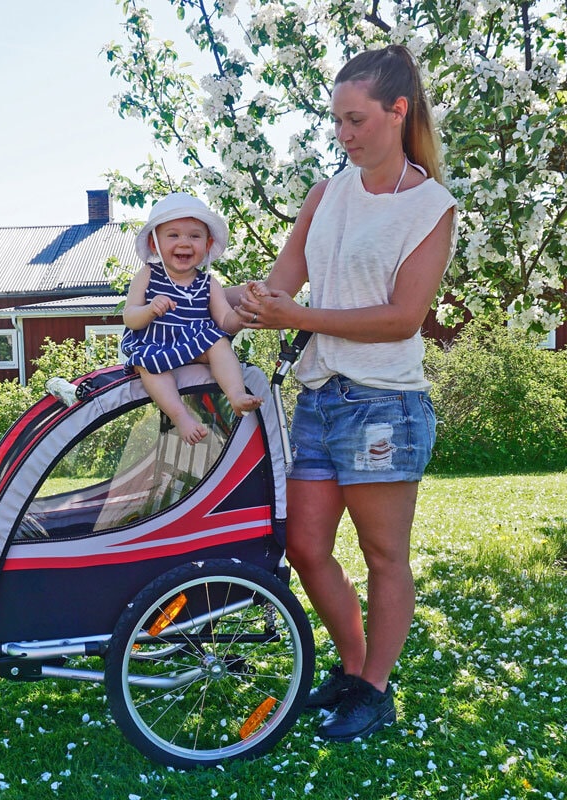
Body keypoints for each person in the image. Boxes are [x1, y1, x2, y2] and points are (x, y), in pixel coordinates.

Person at [233, 45, 457, 742]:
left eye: (355, 119)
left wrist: (296, 317)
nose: (344, 134)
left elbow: (402, 317)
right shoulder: (328, 191)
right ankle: (355, 670)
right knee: (305, 545)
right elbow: (291, 268)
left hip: (383, 401)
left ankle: (375, 690)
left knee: (384, 555)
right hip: (321, 396)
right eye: (336, 121)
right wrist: (256, 299)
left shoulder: (430, 206)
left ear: (398, 112)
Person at [121, 192, 262, 445]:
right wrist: (150, 309)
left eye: (194, 236)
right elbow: (130, 317)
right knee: (149, 366)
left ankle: (236, 394)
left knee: (219, 343)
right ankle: (180, 416)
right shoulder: (148, 274)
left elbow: (224, 322)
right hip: (157, 342)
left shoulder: (209, 283)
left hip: (194, 342)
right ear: (155, 244)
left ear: (207, 245)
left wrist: (241, 315)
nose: (184, 243)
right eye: (173, 235)